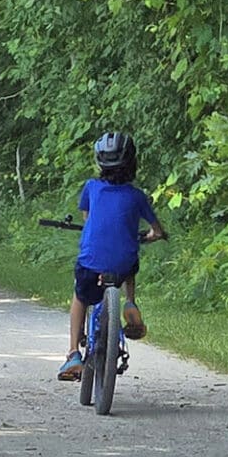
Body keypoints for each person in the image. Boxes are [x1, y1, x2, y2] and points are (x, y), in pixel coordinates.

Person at [58, 130, 167, 380]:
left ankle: (73, 352)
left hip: (91, 261)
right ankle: (130, 302)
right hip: (122, 264)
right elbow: (156, 229)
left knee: (80, 296)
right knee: (129, 261)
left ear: (100, 162)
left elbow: (88, 219)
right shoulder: (137, 196)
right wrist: (154, 235)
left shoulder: (91, 187)